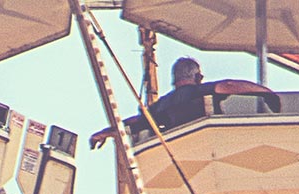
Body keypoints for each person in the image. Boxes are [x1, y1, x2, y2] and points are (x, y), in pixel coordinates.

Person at [90, 56, 280, 149]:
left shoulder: (162, 105)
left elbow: (136, 122)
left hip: (181, 150)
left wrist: (106, 132)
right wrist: (265, 93)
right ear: (198, 76)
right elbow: (229, 85)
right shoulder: (199, 91)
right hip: (213, 146)